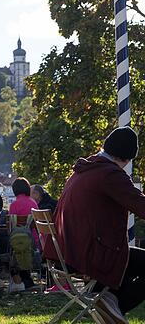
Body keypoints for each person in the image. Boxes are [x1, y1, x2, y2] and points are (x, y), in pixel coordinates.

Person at [44, 126, 145, 323]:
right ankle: (113, 307)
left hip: (69, 252)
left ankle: (108, 301)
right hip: (90, 254)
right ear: (126, 158)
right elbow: (140, 205)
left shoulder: (84, 169)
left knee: (134, 261)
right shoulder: (109, 174)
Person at [6, 177, 38, 292]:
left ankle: (21, 282)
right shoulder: (33, 202)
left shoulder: (14, 204)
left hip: (18, 241)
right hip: (33, 239)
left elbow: (11, 226)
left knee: (9, 250)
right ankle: (26, 282)